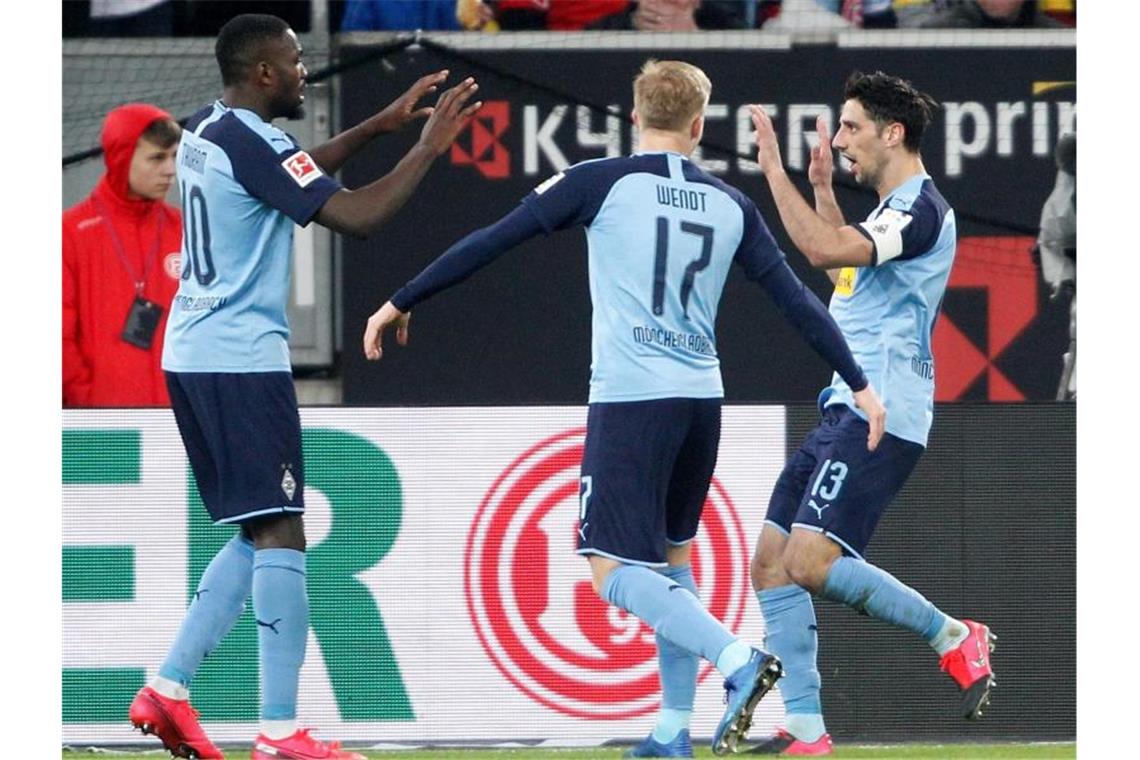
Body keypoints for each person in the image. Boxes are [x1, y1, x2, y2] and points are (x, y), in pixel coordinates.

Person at [362, 59, 888, 758]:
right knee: (673, 559)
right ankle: (672, 728)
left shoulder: (600, 182)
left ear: (635, 116)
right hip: (703, 402)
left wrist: (403, 298)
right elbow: (796, 299)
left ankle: (735, 659)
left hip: (634, 398)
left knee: (611, 570)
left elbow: (493, 241)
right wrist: (858, 381)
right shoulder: (732, 204)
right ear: (699, 127)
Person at [126, 13, 481, 760]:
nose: (303, 73)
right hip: (236, 359)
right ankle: (279, 731)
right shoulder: (252, 141)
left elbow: (289, 174)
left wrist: (379, 125)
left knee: (260, 529)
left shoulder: (210, 125)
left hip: (196, 354)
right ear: (262, 74)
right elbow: (358, 215)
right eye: (292, 62)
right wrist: (424, 148)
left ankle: (168, 689)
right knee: (283, 529)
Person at [741, 72, 995, 755]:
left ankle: (951, 633)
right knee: (769, 562)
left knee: (811, 560)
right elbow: (848, 276)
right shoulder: (892, 211)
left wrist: (773, 170)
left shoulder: (921, 211)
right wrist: (824, 193)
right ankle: (805, 727)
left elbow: (825, 252)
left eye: (851, 126)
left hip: (883, 410)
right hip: (845, 404)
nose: (841, 139)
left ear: (893, 133)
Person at [63, 103, 183, 407]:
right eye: (157, 158)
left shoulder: (186, 231)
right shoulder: (70, 233)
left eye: (173, 157)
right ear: (121, 158)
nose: (170, 170)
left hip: (179, 424)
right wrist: (89, 402)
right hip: (103, 427)